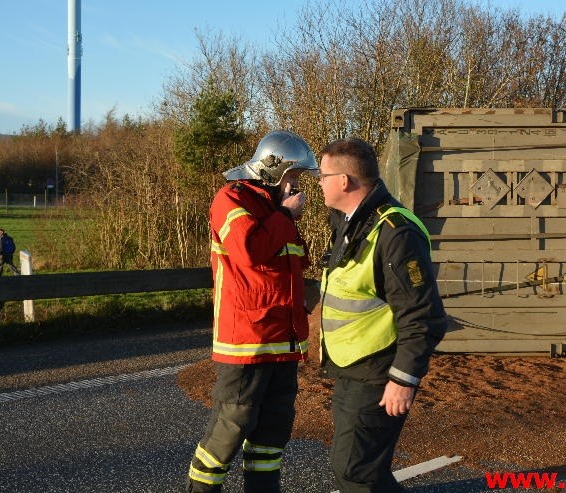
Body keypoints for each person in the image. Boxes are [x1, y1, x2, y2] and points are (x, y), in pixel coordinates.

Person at [187, 130, 318, 493]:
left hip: (284, 341)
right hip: (246, 341)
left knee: (272, 435)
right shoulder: (231, 198)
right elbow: (250, 251)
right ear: (272, 170)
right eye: (293, 176)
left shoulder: (274, 210)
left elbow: (291, 266)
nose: (296, 186)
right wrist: (285, 216)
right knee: (230, 428)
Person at [317, 138, 447, 493]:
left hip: (378, 373)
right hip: (351, 368)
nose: (318, 183)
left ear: (345, 180)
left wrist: (404, 380)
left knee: (354, 471)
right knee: (365, 468)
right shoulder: (351, 222)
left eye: (323, 175)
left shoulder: (395, 233)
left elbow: (425, 316)